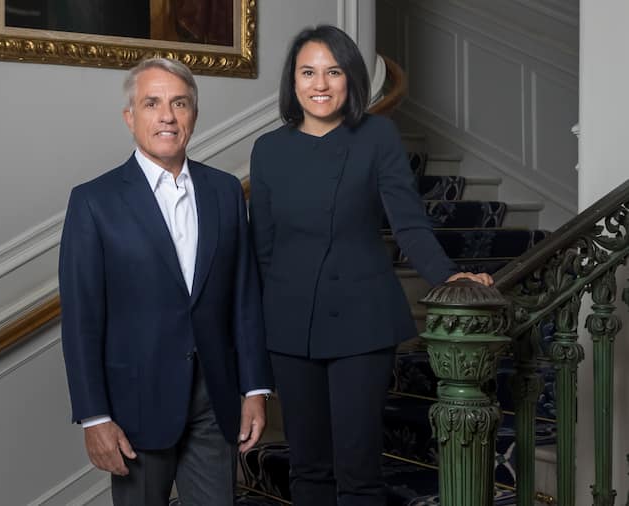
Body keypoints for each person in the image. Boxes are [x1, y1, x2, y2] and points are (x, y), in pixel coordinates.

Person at [247, 25, 493, 506]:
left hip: (362, 321)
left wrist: (448, 275)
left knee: (359, 471)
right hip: (291, 325)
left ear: (350, 78)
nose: (320, 84)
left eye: (333, 71)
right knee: (308, 468)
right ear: (293, 82)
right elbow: (263, 250)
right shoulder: (268, 150)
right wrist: (256, 337)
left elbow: (409, 224)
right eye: (308, 72)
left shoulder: (377, 135)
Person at [59, 57, 273, 506]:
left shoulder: (226, 191)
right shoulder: (94, 202)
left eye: (179, 103)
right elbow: (82, 320)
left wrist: (254, 389)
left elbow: (244, 297)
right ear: (130, 117)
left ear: (193, 114)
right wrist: (94, 416)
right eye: (152, 103)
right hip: (135, 406)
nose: (167, 116)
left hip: (215, 399)